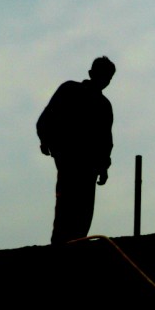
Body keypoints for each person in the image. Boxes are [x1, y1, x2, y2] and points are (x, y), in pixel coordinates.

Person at [36, 56, 116, 245]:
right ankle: (63, 243)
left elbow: (106, 139)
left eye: (107, 78)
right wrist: (45, 140)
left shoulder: (104, 105)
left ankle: (76, 242)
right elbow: (48, 116)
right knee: (69, 204)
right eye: (102, 76)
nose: (104, 81)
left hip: (89, 165)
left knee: (83, 208)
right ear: (91, 74)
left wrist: (104, 167)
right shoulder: (70, 89)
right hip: (70, 158)